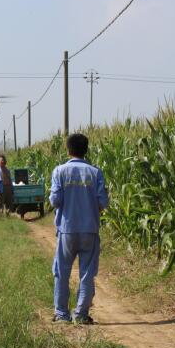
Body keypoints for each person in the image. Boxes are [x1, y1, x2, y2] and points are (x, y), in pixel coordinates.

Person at [49, 133, 108, 324]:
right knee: (87, 273)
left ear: (68, 150)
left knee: (62, 271)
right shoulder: (95, 173)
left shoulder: (59, 171)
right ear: (86, 150)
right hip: (89, 229)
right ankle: (81, 314)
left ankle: (61, 314)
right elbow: (103, 203)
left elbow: (55, 200)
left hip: (67, 230)